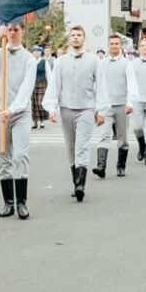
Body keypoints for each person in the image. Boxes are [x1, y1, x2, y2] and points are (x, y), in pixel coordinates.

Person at [0, 22, 36, 219]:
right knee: (2, 154)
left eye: (16, 29)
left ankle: (21, 202)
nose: (12, 32)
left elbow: (26, 88)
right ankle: (8, 202)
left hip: (19, 112)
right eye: (9, 29)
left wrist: (13, 108)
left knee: (19, 155)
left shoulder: (29, 59)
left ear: (22, 32)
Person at [44, 25, 102, 202]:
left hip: (86, 108)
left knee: (82, 146)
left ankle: (80, 184)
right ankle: (75, 181)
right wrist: (51, 108)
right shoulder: (60, 61)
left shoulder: (94, 61)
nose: (76, 37)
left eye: (79, 35)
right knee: (71, 146)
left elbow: (101, 86)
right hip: (67, 108)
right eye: (73, 35)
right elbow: (55, 85)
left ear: (84, 38)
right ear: (70, 39)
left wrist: (100, 110)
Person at [95, 34, 135, 178]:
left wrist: (130, 102)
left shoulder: (126, 63)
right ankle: (101, 166)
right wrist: (97, 107)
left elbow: (131, 84)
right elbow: (97, 86)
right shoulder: (101, 64)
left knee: (122, 137)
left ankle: (121, 166)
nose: (114, 46)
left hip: (122, 105)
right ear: (108, 45)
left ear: (120, 45)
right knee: (104, 135)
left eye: (116, 43)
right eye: (111, 43)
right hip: (106, 106)